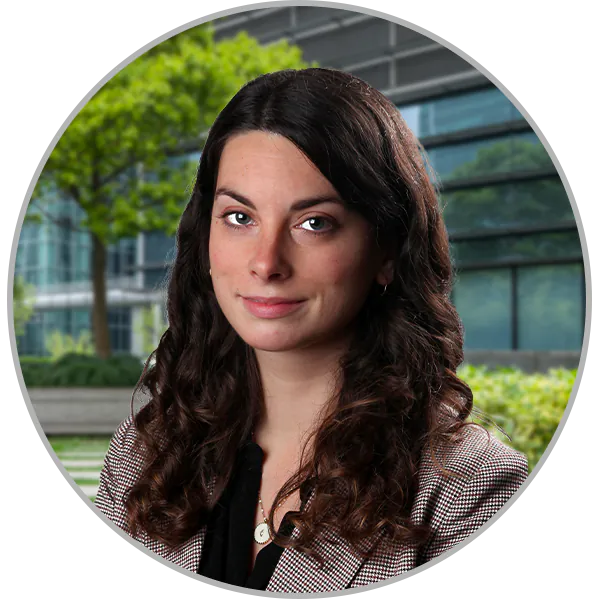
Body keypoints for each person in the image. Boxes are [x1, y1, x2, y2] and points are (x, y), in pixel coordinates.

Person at [95, 67, 528, 592]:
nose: (266, 263)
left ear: (387, 251)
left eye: (314, 223)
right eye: (239, 217)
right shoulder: (143, 453)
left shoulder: (472, 491)